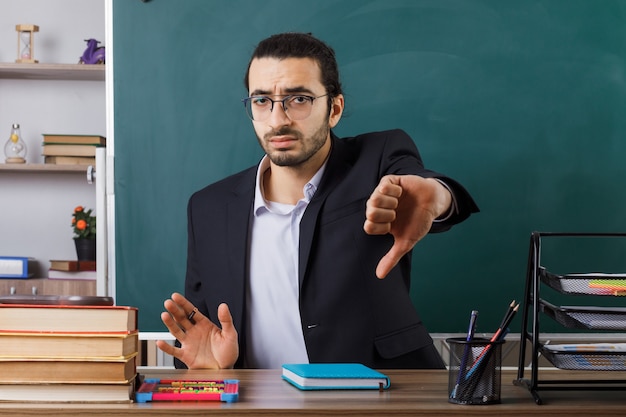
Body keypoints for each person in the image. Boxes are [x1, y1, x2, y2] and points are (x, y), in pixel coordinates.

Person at [156, 32, 479, 370]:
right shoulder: (207, 208)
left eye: (298, 99)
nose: (278, 119)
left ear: (334, 108)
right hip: (255, 401)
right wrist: (213, 368)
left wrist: (437, 196)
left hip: (380, 395)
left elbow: (426, 189)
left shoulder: (378, 159)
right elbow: (199, 331)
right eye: (262, 100)